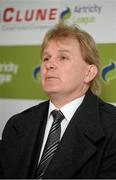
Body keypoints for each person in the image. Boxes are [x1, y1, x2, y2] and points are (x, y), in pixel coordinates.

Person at [0, 22, 116, 179]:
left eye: (63, 57)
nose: (50, 65)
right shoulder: (17, 124)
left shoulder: (112, 127)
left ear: (89, 73)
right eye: (46, 58)